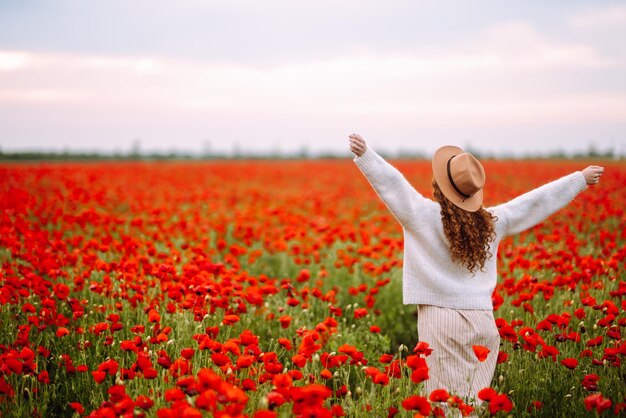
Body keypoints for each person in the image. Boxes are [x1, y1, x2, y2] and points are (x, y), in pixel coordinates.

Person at [348, 133, 604, 403]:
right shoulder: (493, 221)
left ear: (440, 186)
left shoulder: (423, 216)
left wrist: (366, 155)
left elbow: (394, 186)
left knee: (443, 405)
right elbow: (533, 203)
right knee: (473, 404)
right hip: (483, 322)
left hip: (441, 321)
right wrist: (579, 180)